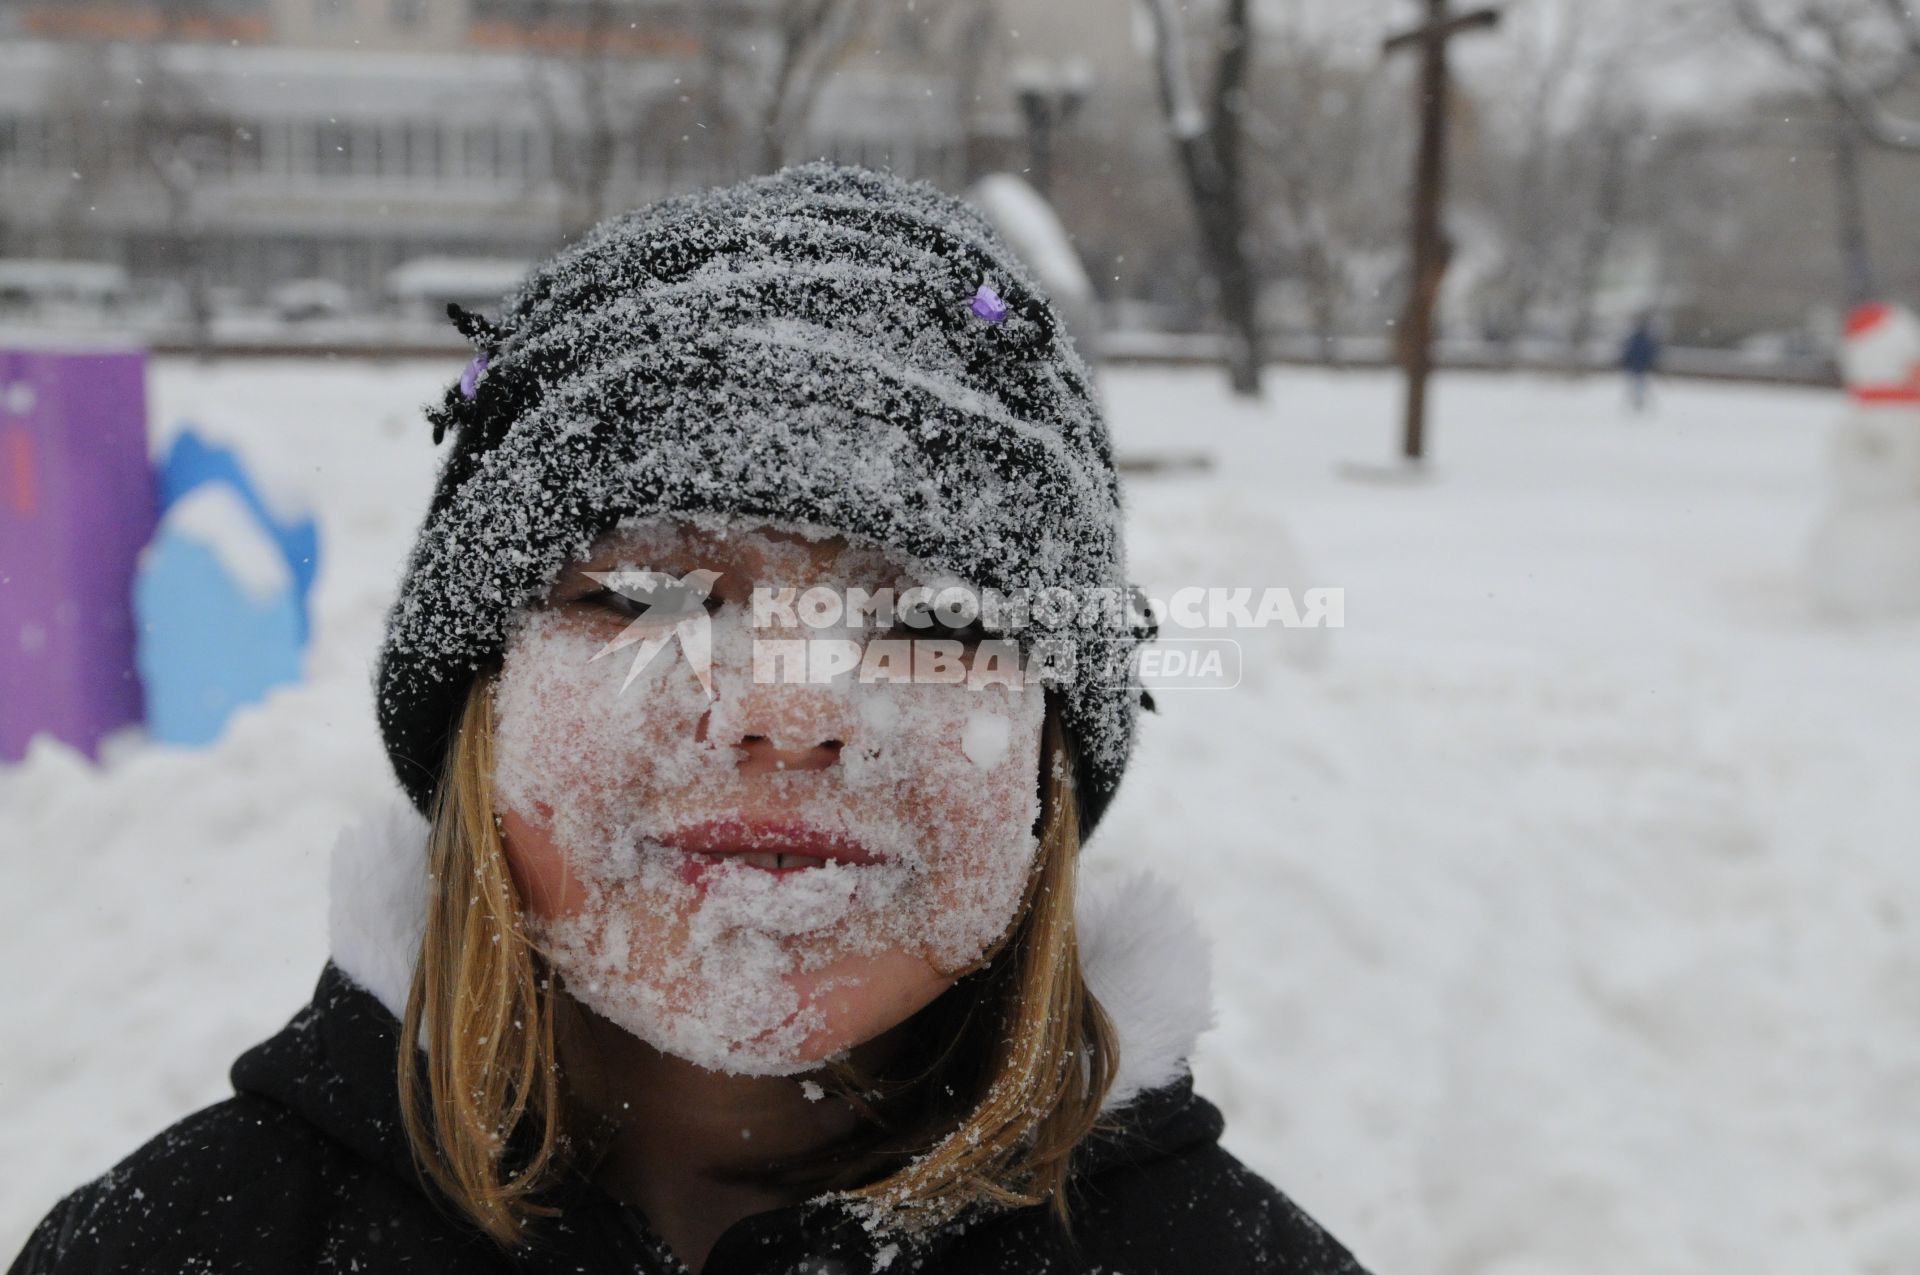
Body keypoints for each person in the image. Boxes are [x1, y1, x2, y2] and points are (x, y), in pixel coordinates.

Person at [8, 162, 1373, 1275]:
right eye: (646, 597)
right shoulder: (189, 1243)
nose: (788, 706)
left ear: (1048, 750)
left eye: (935, 621)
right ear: (481, 702)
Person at [1621, 312, 1662, 413]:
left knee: (1635, 386)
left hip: (1635, 367)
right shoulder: (1647, 341)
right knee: (1640, 386)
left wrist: (1626, 362)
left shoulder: (1634, 340)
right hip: (1641, 367)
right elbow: (1652, 354)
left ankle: (1637, 401)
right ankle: (1638, 401)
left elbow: (1628, 353)